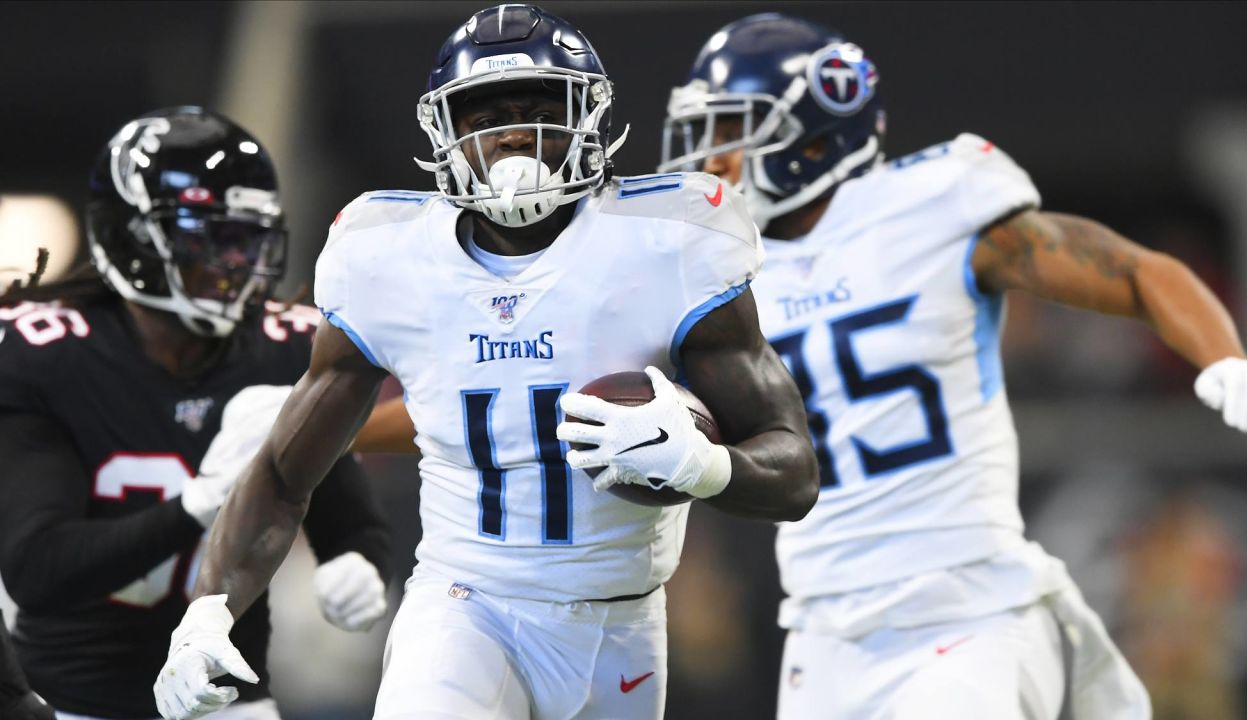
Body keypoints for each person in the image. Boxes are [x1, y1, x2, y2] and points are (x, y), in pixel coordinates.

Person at [152, 5, 819, 719]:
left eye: (539, 107)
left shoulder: (667, 245)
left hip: (623, 620)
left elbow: (795, 473)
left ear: (588, 118)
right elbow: (284, 474)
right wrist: (205, 616)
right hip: (466, 608)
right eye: (484, 115)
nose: (512, 134)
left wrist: (700, 465)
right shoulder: (385, 257)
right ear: (446, 133)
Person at [659, 13, 1247, 720]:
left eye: (730, 128)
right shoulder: (721, 269)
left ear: (814, 133)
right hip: (824, 630)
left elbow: (1133, 272)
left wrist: (1223, 355)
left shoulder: (934, 203)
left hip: (969, 607)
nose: (710, 156)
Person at [0, 107, 394, 720]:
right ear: (130, 238)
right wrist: (200, 504)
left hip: (228, 700)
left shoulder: (285, 346)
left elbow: (346, 513)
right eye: (208, 237)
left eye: (247, 238)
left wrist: (358, 560)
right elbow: (38, 570)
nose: (235, 261)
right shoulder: (51, 357)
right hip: (71, 701)